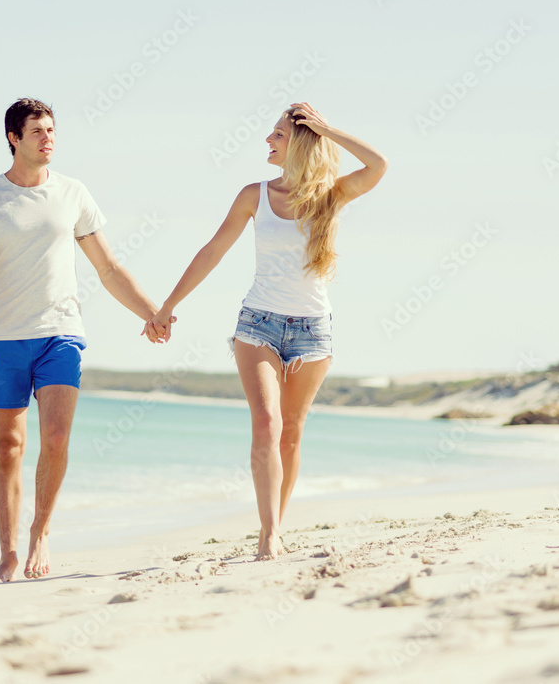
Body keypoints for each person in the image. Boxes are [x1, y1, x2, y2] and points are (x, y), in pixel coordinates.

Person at [145, 102, 388, 560]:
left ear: (300, 142)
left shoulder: (331, 195)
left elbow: (378, 165)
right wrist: (168, 305)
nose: (268, 141)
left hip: (313, 330)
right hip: (258, 323)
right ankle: (270, 531)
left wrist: (327, 129)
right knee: (267, 423)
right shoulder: (252, 195)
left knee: (292, 431)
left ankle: (276, 521)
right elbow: (212, 251)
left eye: (277, 134)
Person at [0, 98, 169, 583]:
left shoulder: (73, 193)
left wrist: (151, 312)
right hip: (4, 339)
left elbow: (109, 268)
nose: (48, 139)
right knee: (9, 447)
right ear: (14, 138)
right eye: (37, 131)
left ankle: (42, 532)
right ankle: (7, 555)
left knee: (54, 438)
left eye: (51, 130)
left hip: (60, 334)